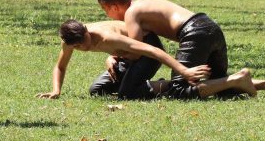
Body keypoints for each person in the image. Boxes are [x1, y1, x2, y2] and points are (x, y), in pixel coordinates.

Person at [96, 0, 265, 99]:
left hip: (195, 32)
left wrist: (114, 56)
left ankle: (237, 78)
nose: (109, 16)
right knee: (218, 87)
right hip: (210, 28)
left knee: (180, 89)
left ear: (114, 6)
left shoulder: (131, 14)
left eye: (106, 11)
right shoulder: (142, 4)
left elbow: (137, 50)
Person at [37, 19, 211, 100]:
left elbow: (154, 51)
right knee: (97, 91)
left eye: (85, 40)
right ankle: (141, 84)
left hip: (146, 53)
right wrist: (56, 90)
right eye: (77, 47)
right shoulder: (69, 41)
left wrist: (184, 71)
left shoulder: (108, 37)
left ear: (86, 30)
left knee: (127, 94)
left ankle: (170, 85)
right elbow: (60, 67)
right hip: (126, 56)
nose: (84, 47)